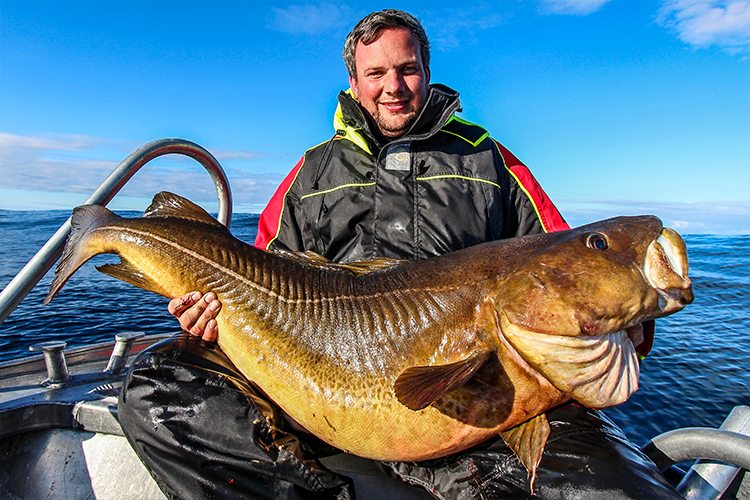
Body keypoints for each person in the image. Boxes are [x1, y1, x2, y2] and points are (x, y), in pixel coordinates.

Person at [119, 9, 678, 500]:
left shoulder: (490, 161)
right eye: (377, 73)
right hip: (315, 387)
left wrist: (634, 322)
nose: (394, 86)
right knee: (158, 386)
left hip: (481, 396)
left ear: (427, 72)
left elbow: (560, 254)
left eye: (407, 69)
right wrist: (208, 320)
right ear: (354, 82)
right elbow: (261, 270)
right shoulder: (312, 171)